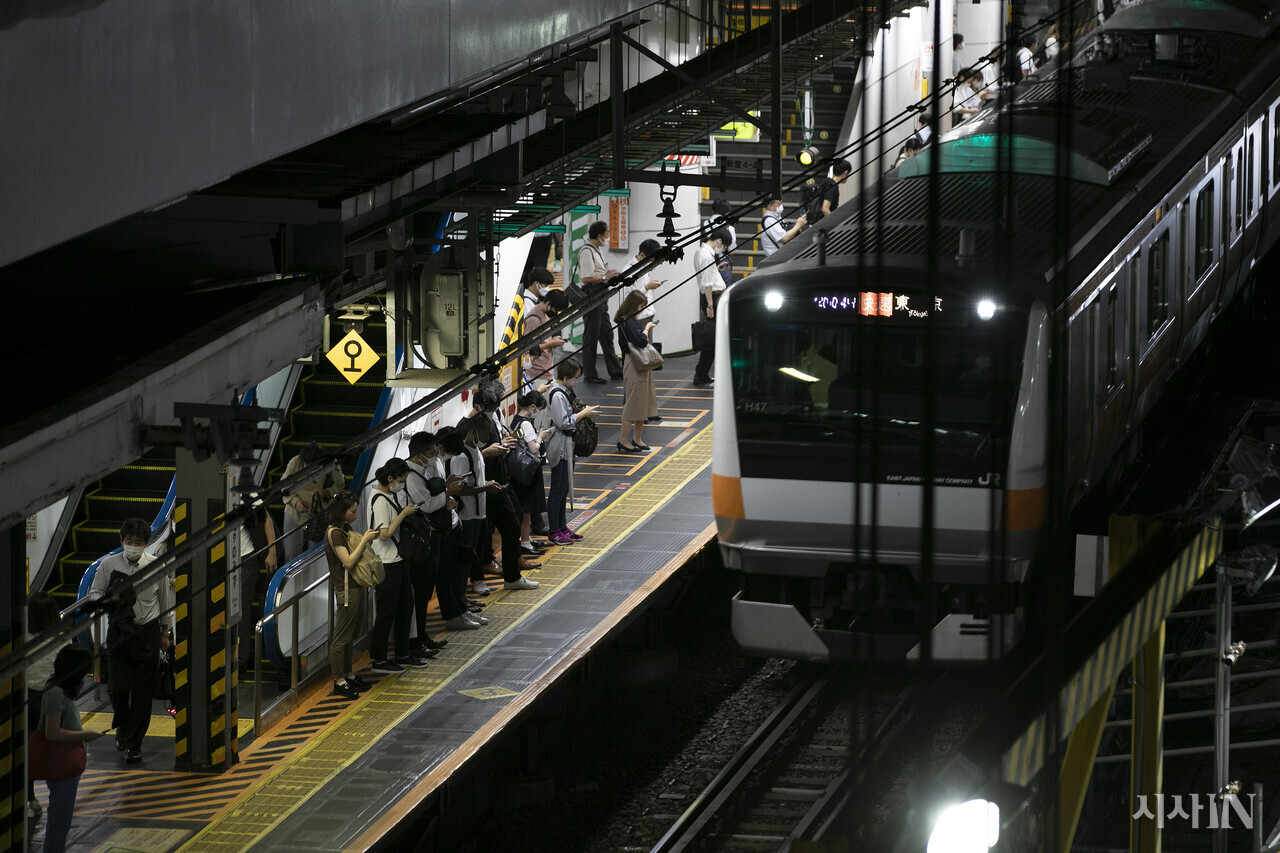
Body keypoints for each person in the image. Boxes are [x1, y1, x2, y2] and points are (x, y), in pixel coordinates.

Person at [86, 518, 173, 764]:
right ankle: (123, 729)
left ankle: (134, 744)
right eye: (129, 541)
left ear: (146, 543)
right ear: (121, 541)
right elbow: (94, 593)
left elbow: (165, 601)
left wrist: (165, 633)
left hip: (147, 633)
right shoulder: (108, 565)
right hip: (118, 634)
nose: (133, 545)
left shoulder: (156, 566)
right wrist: (109, 599)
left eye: (138, 542)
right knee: (118, 688)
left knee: (143, 694)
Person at [474, 381, 543, 590]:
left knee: (512, 525)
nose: (494, 410)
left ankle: (512, 575)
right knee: (480, 534)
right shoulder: (473, 424)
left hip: (502, 481)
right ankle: (478, 577)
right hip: (485, 486)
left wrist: (505, 444)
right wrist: (488, 452)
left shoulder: (493, 418)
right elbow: (468, 456)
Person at [367, 459, 431, 674]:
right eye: (401, 480)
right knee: (387, 612)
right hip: (387, 563)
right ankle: (379, 659)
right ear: (390, 479)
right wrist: (404, 514)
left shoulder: (388, 496)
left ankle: (402, 654)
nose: (402, 484)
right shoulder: (379, 500)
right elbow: (383, 534)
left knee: (405, 607)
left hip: (398, 560)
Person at [39, 645, 103, 853]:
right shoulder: (56, 693)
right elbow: (52, 732)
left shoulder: (62, 691)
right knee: (59, 820)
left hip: (68, 763)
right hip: (61, 763)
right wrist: (85, 735)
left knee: (63, 819)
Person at [425, 428, 486, 632]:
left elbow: (442, 491)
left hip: (450, 521)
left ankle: (460, 609)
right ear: (440, 446)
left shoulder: (439, 461)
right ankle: (453, 615)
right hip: (437, 527)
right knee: (445, 575)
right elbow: (428, 500)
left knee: (453, 571)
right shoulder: (427, 467)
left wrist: (450, 496)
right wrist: (447, 492)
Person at [323, 491, 378, 699]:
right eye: (352, 511)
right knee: (341, 638)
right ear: (341, 512)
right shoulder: (335, 532)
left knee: (350, 635)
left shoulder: (345, 528)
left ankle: (348, 674)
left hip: (355, 586)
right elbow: (347, 561)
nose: (355, 514)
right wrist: (364, 540)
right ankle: (339, 680)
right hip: (346, 589)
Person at [443, 420, 500, 618]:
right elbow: (460, 489)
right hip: (466, 516)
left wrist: (486, 483)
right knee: (462, 563)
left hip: (478, 514)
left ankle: (463, 599)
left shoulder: (476, 451)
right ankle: (459, 602)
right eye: (485, 433)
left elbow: (475, 480)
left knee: (469, 561)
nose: (488, 437)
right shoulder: (461, 456)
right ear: (473, 432)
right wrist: (485, 487)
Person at [403, 433, 454, 654]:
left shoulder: (421, 471)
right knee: (420, 591)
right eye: (431, 450)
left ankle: (422, 636)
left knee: (426, 590)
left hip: (429, 537)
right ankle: (414, 641)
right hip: (418, 543)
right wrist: (447, 494)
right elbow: (427, 505)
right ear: (419, 453)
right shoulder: (411, 477)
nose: (435, 453)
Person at [546, 361, 602, 545]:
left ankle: (562, 527)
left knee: (564, 490)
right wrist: (583, 414)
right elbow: (563, 422)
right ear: (565, 376)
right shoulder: (557, 395)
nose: (577, 381)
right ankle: (554, 530)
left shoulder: (565, 392)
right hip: (559, 446)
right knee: (557, 490)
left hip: (567, 445)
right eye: (575, 378)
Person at [26, 592, 60, 823]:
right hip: (54, 702)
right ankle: (57, 797)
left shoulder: (21, 640)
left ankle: (29, 800)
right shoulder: (61, 639)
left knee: (27, 751)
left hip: (27, 700)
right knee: (54, 752)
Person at [575, 221, 624, 384]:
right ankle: (590, 374)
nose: (608, 237)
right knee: (591, 335)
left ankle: (615, 370)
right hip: (592, 293)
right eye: (607, 234)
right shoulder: (587, 251)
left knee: (606, 333)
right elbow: (586, 277)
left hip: (601, 293)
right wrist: (605, 277)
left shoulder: (597, 250)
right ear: (599, 236)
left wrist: (609, 276)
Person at [509, 392, 554, 556]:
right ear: (533, 407)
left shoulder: (516, 420)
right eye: (539, 409)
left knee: (525, 508)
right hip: (528, 471)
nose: (539, 413)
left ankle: (526, 538)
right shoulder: (526, 424)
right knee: (527, 508)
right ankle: (525, 542)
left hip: (519, 472)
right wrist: (540, 437)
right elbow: (534, 448)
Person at [281, 442, 342, 560]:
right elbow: (284, 487)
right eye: (306, 467)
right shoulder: (295, 462)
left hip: (319, 515)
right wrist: (295, 502)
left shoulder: (331, 463)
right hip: (295, 513)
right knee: (291, 553)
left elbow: (340, 486)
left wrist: (327, 492)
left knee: (315, 555)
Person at [236, 499, 278, 670]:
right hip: (224, 561)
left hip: (247, 558)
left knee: (241, 610)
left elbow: (266, 520)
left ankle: (242, 658)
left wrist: (272, 552)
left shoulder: (244, 493)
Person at [615, 291, 659, 452]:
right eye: (641, 306)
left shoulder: (626, 321)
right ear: (634, 305)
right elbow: (641, 341)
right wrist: (647, 328)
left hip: (637, 363)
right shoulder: (629, 322)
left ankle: (637, 439)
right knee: (633, 404)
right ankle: (624, 440)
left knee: (642, 403)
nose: (641, 309)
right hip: (634, 363)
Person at [693, 229, 730, 387]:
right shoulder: (707, 256)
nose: (723, 249)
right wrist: (710, 305)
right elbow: (707, 284)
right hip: (712, 298)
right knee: (712, 338)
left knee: (712, 338)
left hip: (711, 298)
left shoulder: (700, 252)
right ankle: (701, 374)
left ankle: (702, 374)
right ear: (719, 241)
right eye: (724, 245)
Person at [521, 284, 568, 389]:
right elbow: (528, 348)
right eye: (556, 309)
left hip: (545, 369)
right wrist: (552, 343)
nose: (556, 313)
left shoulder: (544, 314)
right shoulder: (534, 319)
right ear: (549, 304)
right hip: (537, 373)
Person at [704, 198, 737, 286]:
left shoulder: (705, 224)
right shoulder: (730, 228)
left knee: (707, 290)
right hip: (723, 265)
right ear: (726, 212)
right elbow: (732, 251)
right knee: (722, 294)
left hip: (706, 263)